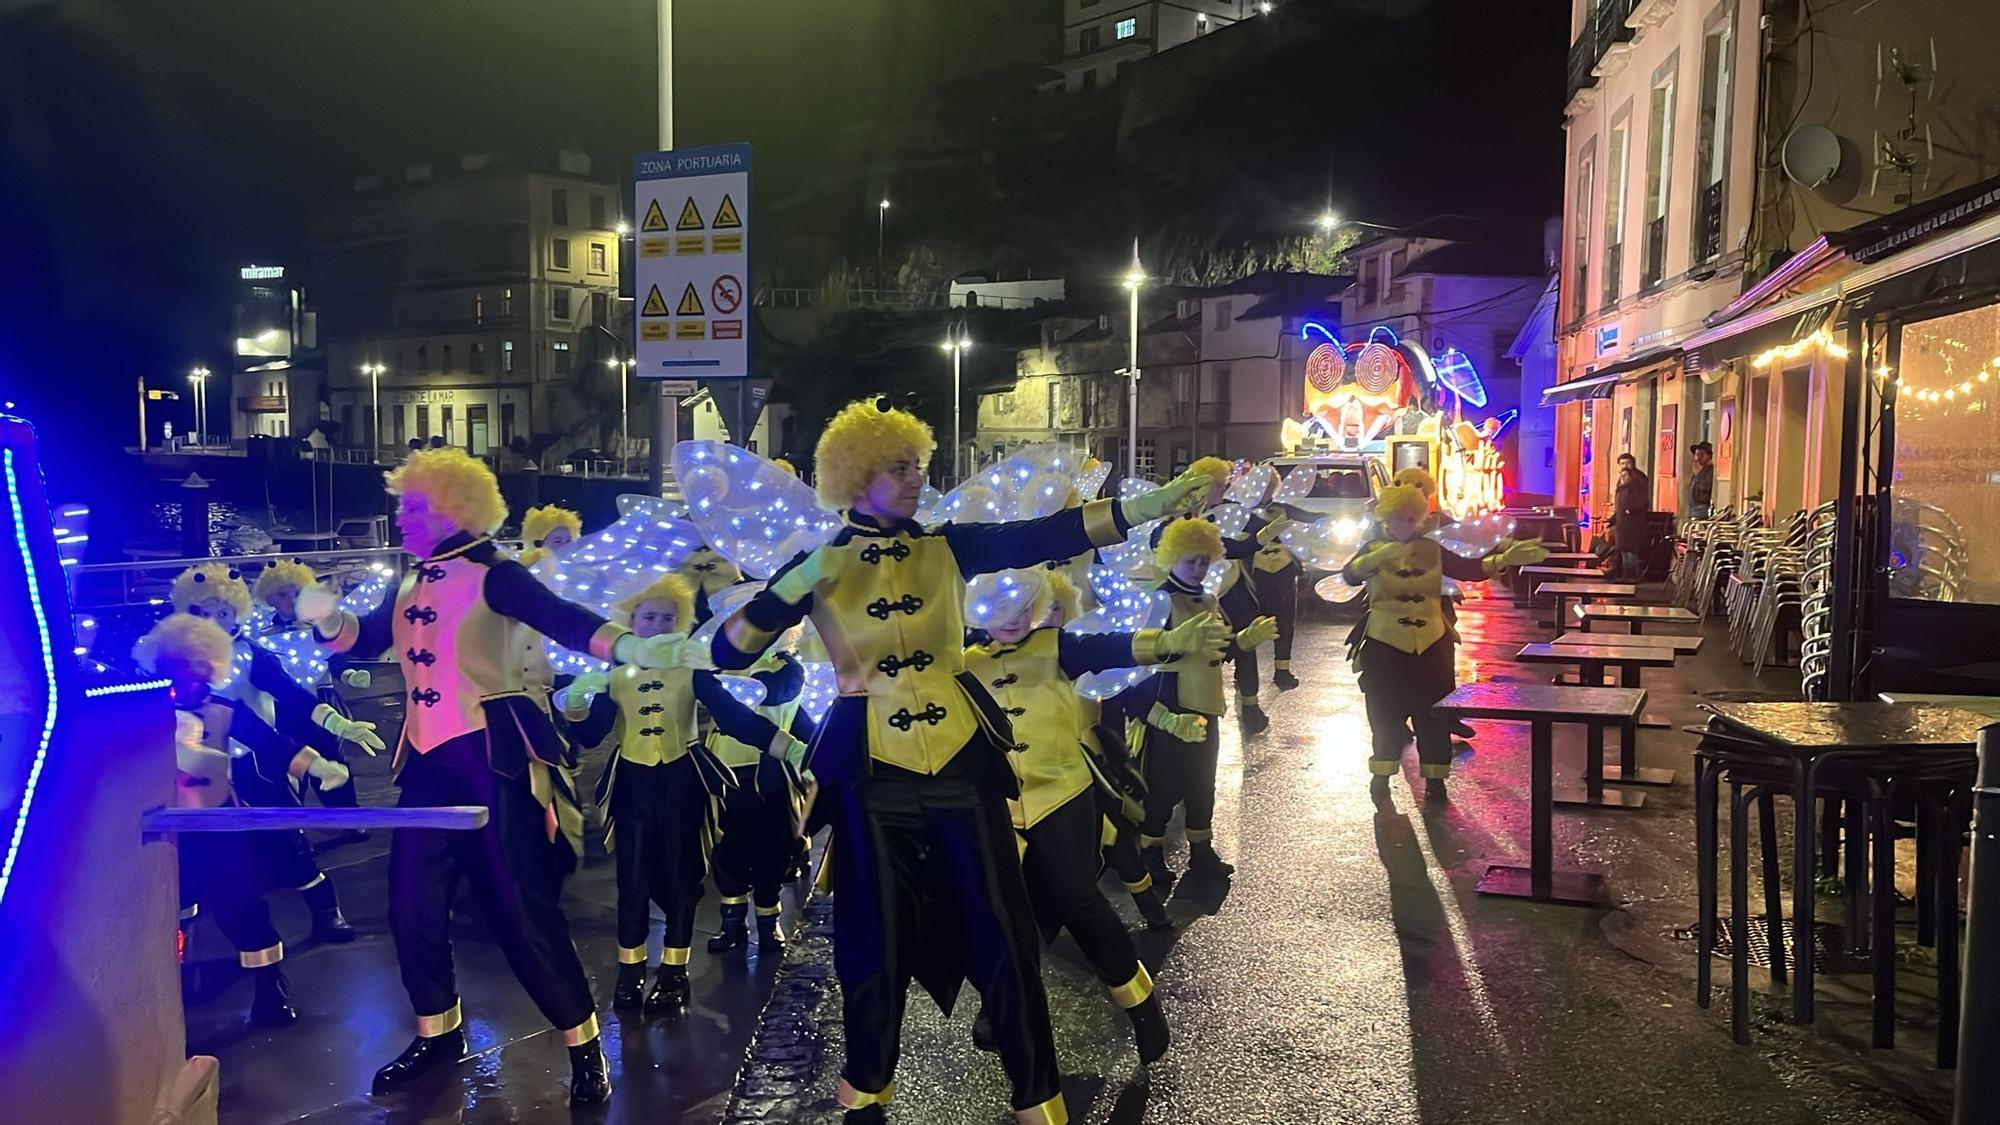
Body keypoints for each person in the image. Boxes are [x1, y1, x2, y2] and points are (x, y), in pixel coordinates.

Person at [707, 399, 1214, 1125]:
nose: (917, 477)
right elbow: (730, 653)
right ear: (856, 475)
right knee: (871, 948)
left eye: (918, 463)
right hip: (871, 776)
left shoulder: (948, 545)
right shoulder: (815, 565)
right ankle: (866, 1104)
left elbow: (1048, 532)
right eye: (899, 467)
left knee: (1004, 936)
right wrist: (790, 586)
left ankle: (1040, 1103)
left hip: (962, 765)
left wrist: (1154, 505)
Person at [300, 447, 699, 1105]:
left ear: (448, 508)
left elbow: (564, 620)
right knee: (410, 906)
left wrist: (633, 645)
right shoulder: (410, 580)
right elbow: (367, 637)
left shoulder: (499, 574)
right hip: (426, 767)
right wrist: (326, 617)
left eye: (409, 506)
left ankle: (583, 1043)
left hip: (493, 763)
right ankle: (439, 1032)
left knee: (521, 912)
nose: (398, 517)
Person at [963, 567, 1226, 1063]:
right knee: (1001, 911)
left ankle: (1142, 1004)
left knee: (1078, 899)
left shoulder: (1058, 646)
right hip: (997, 808)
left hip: (1063, 795)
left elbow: (1110, 647)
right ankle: (1000, 1003)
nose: (1015, 619)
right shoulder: (962, 663)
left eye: (1025, 607)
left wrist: (1168, 640)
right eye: (1002, 609)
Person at [562, 573, 800, 1010]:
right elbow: (593, 735)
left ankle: (674, 970)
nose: (657, 624)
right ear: (630, 620)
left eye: (668, 617)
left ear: (682, 622)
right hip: (632, 786)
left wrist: (792, 749)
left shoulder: (693, 669)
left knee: (682, 878)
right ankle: (630, 970)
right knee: (631, 880)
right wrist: (576, 701)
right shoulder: (613, 675)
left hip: (683, 781)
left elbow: (734, 717)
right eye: (648, 616)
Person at [138, 613, 334, 1027]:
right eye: (178, 666)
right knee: (169, 907)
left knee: (242, 904)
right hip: (164, 826)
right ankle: (170, 981)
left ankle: (269, 985)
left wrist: (315, 766)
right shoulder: (144, 713)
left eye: (196, 666)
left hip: (220, 824)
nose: (190, 676)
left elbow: (271, 742)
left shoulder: (226, 709)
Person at [172, 563, 376, 940]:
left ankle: (325, 911)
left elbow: (291, 693)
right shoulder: (173, 659)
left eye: (222, 612)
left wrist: (338, 724)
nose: (212, 621)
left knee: (283, 839)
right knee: (190, 857)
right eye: (201, 612)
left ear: (236, 613)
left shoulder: (251, 654)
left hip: (255, 764)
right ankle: (180, 940)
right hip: (192, 774)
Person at [1343, 486, 1545, 801]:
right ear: (1386, 517)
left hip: (1432, 643)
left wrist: (1504, 558)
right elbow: (1350, 575)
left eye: (1412, 518)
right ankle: (1381, 773)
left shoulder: (1432, 547)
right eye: (1398, 518)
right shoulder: (1372, 546)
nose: (1406, 524)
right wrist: (1376, 557)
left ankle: (1436, 779)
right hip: (1384, 643)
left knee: (1434, 713)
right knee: (1384, 712)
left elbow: (1469, 568)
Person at [1132, 517, 1277, 890]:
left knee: (1202, 784)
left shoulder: (1209, 600)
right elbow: (1142, 659)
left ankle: (1202, 852)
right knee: (1162, 787)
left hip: (1207, 706)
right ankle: (1150, 853)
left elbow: (1219, 650)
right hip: (1170, 706)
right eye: (1190, 561)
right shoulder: (1159, 601)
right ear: (1170, 558)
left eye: (1203, 561)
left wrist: (1244, 639)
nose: (1198, 569)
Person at [703, 644, 815, 957]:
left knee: (770, 850)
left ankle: (769, 922)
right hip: (723, 771)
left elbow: (772, 692)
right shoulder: (715, 662)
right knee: (726, 851)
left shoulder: (785, 667)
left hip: (766, 771)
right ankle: (732, 924)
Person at [253, 558, 375, 833]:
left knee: (332, 757)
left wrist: (349, 675)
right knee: (289, 762)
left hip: (320, 701)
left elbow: (334, 656)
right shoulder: (260, 633)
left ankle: (347, 818)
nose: (291, 599)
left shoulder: (321, 623)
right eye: (283, 594)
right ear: (269, 599)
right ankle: (291, 822)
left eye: (297, 592)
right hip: (281, 707)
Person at [1613, 452, 1652, 581]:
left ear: (1633, 464)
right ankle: (1625, 575)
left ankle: (1633, 576)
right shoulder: (1623, 478)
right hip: (1622, 521)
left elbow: (1642, 499)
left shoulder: (1638, 478)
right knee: (1623, 549)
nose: (1625, 466)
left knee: (1630, 549)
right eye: (1622, 463)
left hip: (1632, 521)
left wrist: (1631, 509)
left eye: (1628, 463)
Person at [1689, 441, 1716, 519]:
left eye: (1701, 455)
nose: (1698, 458)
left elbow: (1704, 491)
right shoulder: (1699, 470)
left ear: (1709, 456)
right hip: (1695, 511)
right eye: (1696, 455)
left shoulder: (1710, 471)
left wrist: (1698, 475)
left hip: (1702, 512)